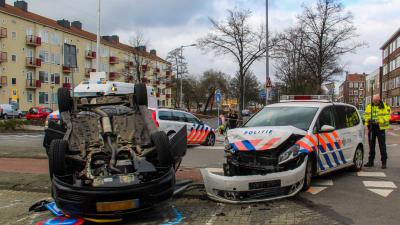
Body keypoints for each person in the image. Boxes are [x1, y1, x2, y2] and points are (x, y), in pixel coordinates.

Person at [363, 94, 391, 169]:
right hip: (371, 127)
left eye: (376, 101)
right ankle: (370, 161)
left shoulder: (385, 106)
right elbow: (365, 115)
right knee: (371, 145)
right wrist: (368, 120)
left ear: (379, 99)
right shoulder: (369, 106)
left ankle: (384, 162)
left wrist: (379, 121)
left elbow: (388, 116)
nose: (375, 102)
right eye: (374, 101)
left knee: (382, 145)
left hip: (380, 128)